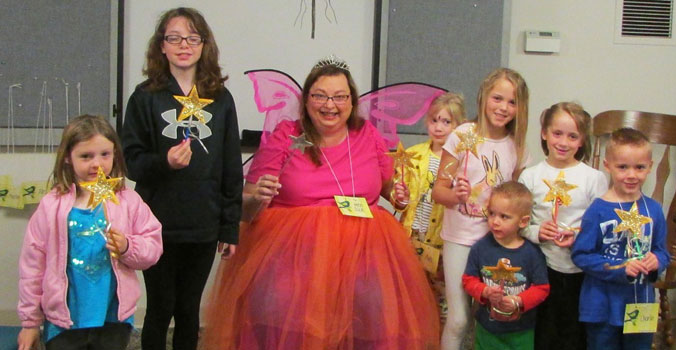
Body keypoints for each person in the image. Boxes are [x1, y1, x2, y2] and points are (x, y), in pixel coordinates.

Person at [201, 56, 440, 349]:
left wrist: (398, 197)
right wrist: (258, 197)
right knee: (293, 326)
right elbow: (247, 208)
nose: (330, 105)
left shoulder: (367, 134)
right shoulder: (287, 135)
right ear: (306, 100)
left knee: (373, 318)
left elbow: (390, 188)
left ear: (352, 101)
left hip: (364, 251)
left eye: (340, 97)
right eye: (320, 96)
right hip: (293, 253)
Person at [120, 7, 243, 350]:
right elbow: (131, 162)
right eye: (174, 38)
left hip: (203, 223)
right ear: (161, 46)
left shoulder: (220, 98)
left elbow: (231, 165)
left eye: (192, 38)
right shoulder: (144, 97)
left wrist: (229, 225)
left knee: (189, 310)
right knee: (160, 308)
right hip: (155, 223)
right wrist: (165, 162)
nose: (183, 45)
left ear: (204, 45)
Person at [17, 115, 163, 350]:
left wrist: (127, 246)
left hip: (113, 319)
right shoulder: (51, 206)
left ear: (115, 153)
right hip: (63, 323)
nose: (97, 164)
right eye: (86, 156)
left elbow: (153, 247)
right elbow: (32, 267)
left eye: (105, 154)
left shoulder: (128, 201)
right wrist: (30, 323)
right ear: (67, 157)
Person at [432, 68, 530, 350]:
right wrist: (455, 195)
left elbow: (517, 198)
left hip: (497, 243)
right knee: (459, 318)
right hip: (460, 238)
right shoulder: (462, 135)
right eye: (498, 98)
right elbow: (439, 191)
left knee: (489, 317)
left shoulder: (517, 147)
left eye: (512, 102)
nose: (503, 107)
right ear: (484, 97)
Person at [517, 102, 608, 350]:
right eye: (557, 133)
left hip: (581, 270)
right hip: (542, 266)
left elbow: (602, 226)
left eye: (572, 136)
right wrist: (537, 231)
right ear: (545, 133)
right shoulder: (531, 176)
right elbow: (520, 224)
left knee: (574, 332)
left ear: (581, 141)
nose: (563, 142)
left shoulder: (593, 179)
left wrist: (578, 235)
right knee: (544, 330)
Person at [572, 128, 669, 350]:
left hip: (640, 302)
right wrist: (619, 268)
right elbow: (581, 255)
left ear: (650, 167)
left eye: (640, 167)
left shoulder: (653, 210)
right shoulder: (598, 210)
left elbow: (662, 251)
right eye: (623, 167)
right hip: (602, 305)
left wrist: (657, 260)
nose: (631, 174)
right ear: (608, 166)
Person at [392, 92, 466, 325]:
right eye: (434, 120)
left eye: (446, 122)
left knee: (443, 301)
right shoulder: (413, 156)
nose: (439, 127)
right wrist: (399, 198)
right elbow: (400, 198)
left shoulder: (463, 161)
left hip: (442, 241)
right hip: (413, 236)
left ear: (458, 126)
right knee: (412, 296)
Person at [462, 181, 549, 350]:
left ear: (523, 222)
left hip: (521, 332)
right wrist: (484, 291)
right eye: (492, 213)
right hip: (486, 328)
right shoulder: (480, 248)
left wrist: (519, 301)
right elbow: (468, 280)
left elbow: (542, 288)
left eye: (504, 217)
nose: (495, 221)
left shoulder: (532, 253)